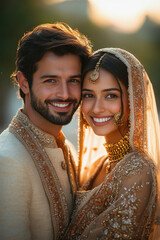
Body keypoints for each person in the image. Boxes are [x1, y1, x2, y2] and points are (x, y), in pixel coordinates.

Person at [0, 23, 92, 240]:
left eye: (74, 81)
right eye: (51, 81)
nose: (64, 94)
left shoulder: (66, 148)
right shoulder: (7, 160)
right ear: (24, 83)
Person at [63, 48, 160, 239]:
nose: (97, 108)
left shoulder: (138, 170)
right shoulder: (98, 165)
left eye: (111, 96)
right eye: (88, 95)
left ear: (134, 101)